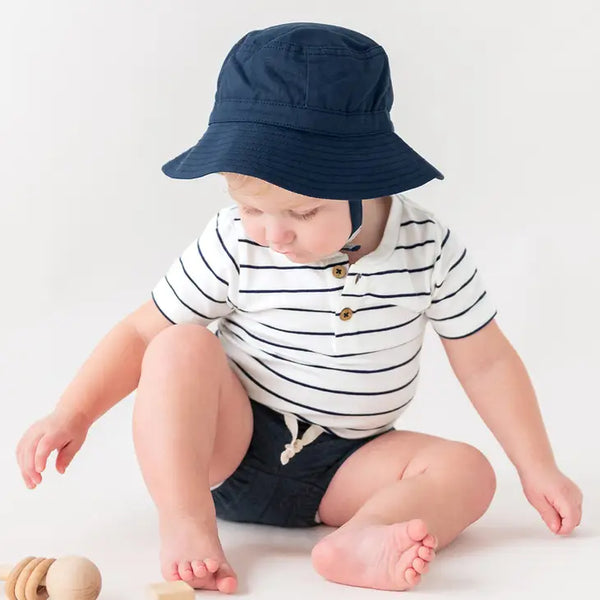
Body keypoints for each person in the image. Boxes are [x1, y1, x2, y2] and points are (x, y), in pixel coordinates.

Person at [15, 22, 582, 595]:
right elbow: (141, 334)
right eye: (252, 208)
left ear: (369, 178)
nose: (274, 235)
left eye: (304, 213)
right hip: (227, 447)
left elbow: (485, 361)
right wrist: (74, 413)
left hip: (350, 465)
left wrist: (537, 467)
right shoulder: (235, 238)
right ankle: (186, 524)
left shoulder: (426, 246)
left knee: (470, 471)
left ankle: (362, 538)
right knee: (178, 343)